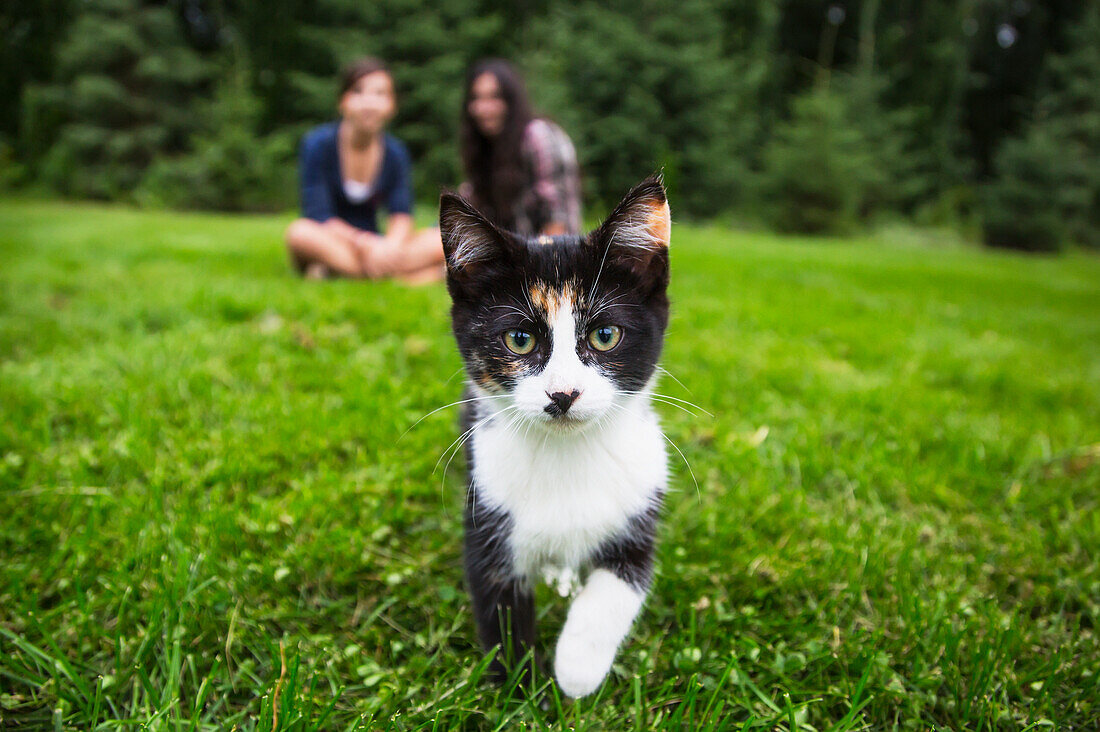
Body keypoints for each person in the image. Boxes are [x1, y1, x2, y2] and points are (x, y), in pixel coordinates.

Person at [284, 58, 444, 282]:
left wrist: (390, 248)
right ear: (343, 101)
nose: (369, 102)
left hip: (379, 246)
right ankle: (406, 279)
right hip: (334, 240)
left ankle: (339, 272)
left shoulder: (396, 153)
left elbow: (401, 214)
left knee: (440, 238)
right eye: (359, 92)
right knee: (299, 233)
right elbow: (319, 215)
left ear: (392, 105)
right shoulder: (318, 144)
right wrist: (365, 243)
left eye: (380, 93)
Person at [459, 59, 582, 237]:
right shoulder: (486, 148)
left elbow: (557, 220)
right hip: (502, 252)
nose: (483, 108)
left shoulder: (539, 136)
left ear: (511, 100)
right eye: (476, 98)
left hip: (543, 253)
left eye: (494, 97)